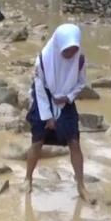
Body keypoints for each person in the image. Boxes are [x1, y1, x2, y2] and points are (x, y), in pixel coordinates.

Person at [24, 23, 94, 204]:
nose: (70, 54)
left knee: (75, 142)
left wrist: (68, 97)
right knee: (37, 141)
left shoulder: (80, 60)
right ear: (58, 45)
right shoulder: (42, 60)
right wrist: (47, 116)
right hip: (44, 100)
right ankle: (28, 179)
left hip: (66, 101)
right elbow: (39, 88)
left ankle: (81, 185)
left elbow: (81, 83)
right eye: (67, 50)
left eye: (73, 49)